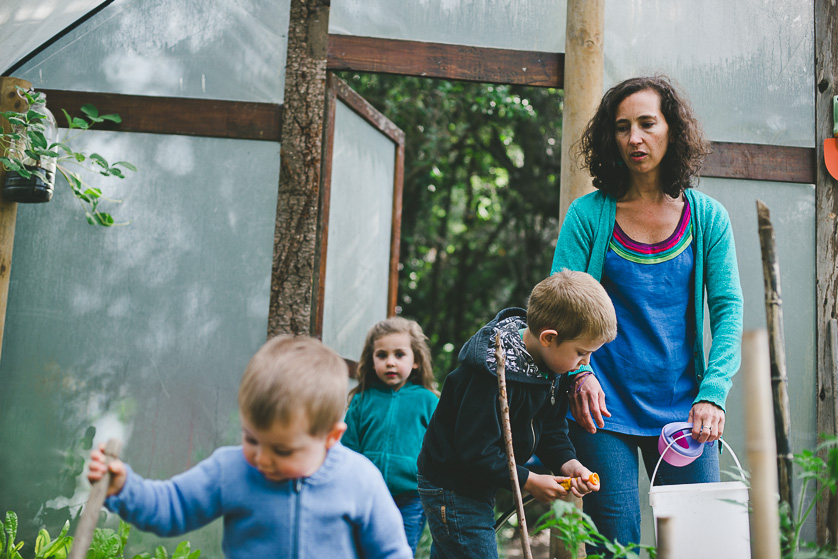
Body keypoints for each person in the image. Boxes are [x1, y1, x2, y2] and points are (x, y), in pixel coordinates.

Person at [550, 75, 744, 553]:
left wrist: (713, 394)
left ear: (671, 130)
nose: (634, 138)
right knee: (613, 544)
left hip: (686, 412)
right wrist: (579, 374)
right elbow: (560, 300)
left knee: (698, 544)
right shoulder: (587, 215)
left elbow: (728, 309)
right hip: (603, 409)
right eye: (621, 127)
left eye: (646, 124)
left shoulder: (708, 217)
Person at [86, 335, 413, 559]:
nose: (262, 458)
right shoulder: (230, 470)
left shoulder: (359, 480)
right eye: (251, 439)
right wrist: (123, 488)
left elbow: (391, 552)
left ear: (330, 437)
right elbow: (170, 508)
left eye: (283, 450)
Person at [417, 270, 618, 559]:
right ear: (549, 338)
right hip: (452, 485)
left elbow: (550, 429)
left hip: (478, 483)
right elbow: (474, 450)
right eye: (581, 353)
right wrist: (528, 481)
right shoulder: (490, 375)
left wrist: (568, 464)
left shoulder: (552, 367)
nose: (585, 364)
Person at [343, 317, 439, 556]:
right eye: (382, 355)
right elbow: (348, 450)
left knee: (399, 552)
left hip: (411, 499)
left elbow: (441, 449)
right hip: (367, 496)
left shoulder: (428, 401)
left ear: (416, 361)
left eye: (399, 354)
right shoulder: (362, 400)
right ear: (371, 359)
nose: (390, 362)